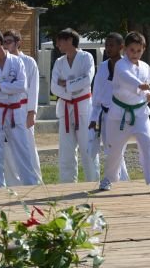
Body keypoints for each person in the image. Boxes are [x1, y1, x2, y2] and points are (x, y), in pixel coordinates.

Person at [99, 31, 150, 194]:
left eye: (138, 51)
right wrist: (141, 86)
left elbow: (145, 86)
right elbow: (126, 78)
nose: (135, 54)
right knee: (115, 148)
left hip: (140, 113)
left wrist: (147, 94)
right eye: (131, 50)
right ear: (125, 50)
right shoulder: (120, 65)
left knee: (148, 144)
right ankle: (108, 177)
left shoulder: (146, 68)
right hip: (119, 113)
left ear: (143, 49)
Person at [0, 28, 41, 188]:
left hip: (15, 111)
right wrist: (9, 90)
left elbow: (22, 86)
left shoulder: (17, 61)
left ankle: (30, 184)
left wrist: (0, 86)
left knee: (22, 148)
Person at [51, 28, 99, 183]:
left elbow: (87, 80)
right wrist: (72, 90)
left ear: (70, 40)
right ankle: (67, 184)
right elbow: (54, 87)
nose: (58, 45)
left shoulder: (87, 57)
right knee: (66, 150)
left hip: (83, 106)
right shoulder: (59, 62)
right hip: (65, 107)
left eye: (60, 41)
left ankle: (93, 181)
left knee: (87, 147)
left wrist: (66, 84)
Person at [2, 29, 42, 186]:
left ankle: (35, 180)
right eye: (4, 42)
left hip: (23, 108)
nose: (6, 45)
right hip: (6, 109)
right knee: (8, 147)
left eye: (9, 41)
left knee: (28, 146)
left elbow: (34, 89)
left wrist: (32, 112)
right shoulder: (2, 62)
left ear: (18, 43)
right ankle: (13, 183)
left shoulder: (29, 62)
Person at [88, 32, 129, 181]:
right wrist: (93, 118)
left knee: (116, 150)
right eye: (106, 45)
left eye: (111, 45)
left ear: (121, 47)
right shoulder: (103, 67)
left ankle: (118, 181)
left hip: (121, 114)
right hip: (105, 115)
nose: (108, 48)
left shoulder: (127, 66)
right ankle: (120, 181)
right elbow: (97, 94)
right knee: (110, 150)